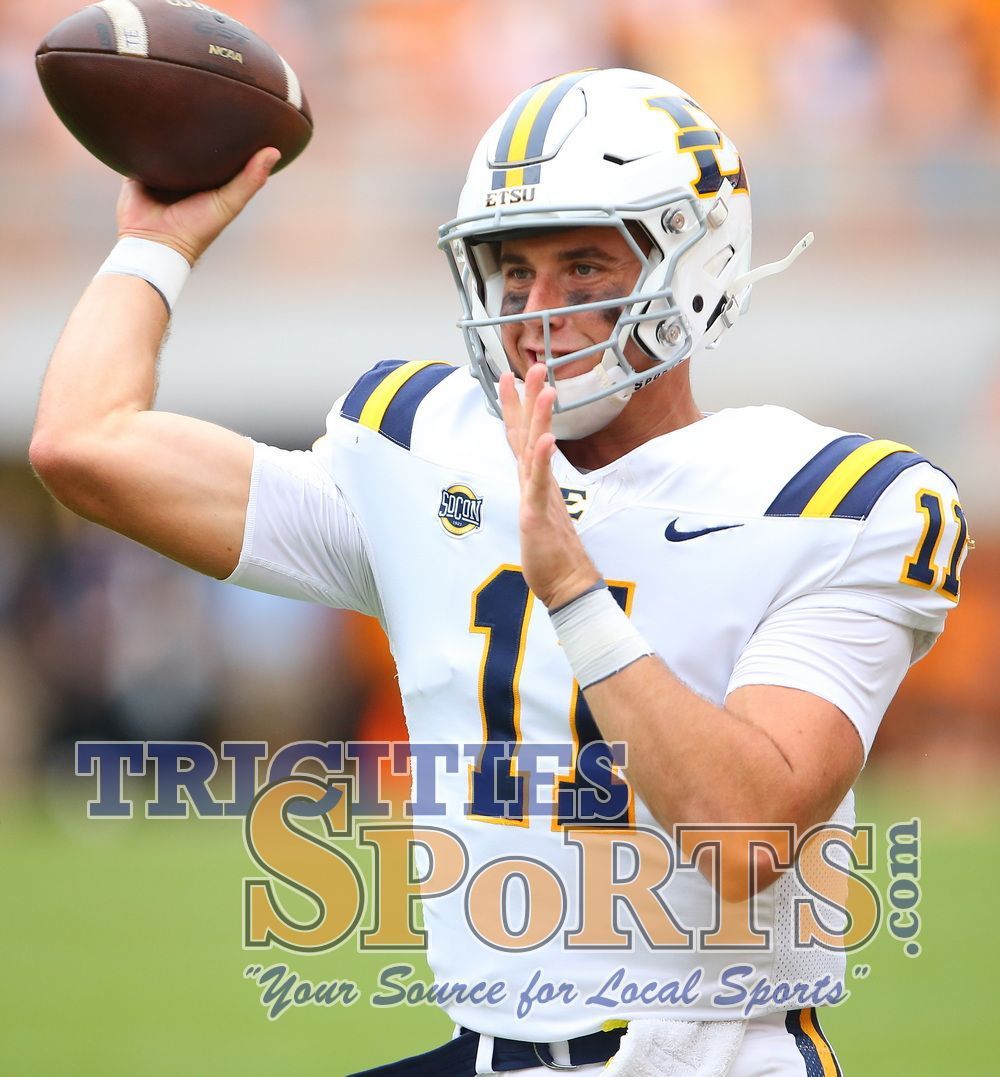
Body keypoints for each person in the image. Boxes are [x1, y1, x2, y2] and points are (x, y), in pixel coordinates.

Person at [31, 68, 969, 1075]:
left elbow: (742, 839)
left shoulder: (835, 502)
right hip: (486, 1051)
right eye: (512, 269)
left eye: (583, 266)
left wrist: (574, 590)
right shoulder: (424, 447)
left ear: (692, 268)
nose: (537, 307)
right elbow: (83, 445)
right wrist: (157, 242)